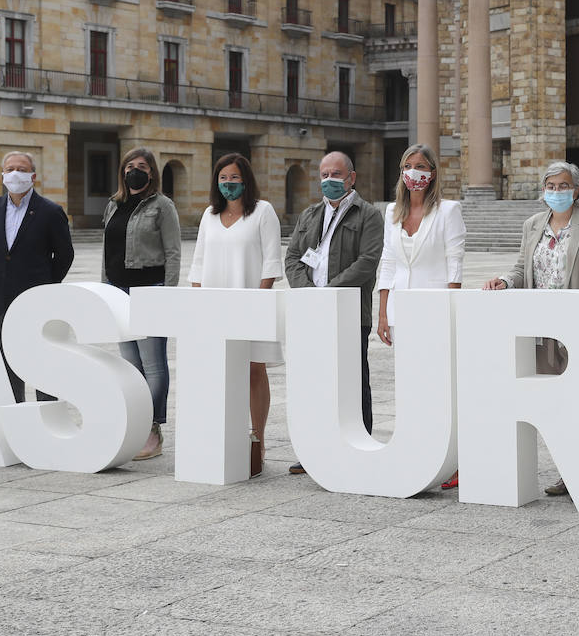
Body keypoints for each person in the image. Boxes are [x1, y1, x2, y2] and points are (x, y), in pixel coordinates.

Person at [483, 160, 579, 496]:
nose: (556, 192)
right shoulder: (533, 224)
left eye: (563, 186)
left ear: (576, 190)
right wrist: (504, 281)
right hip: (542, 330)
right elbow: (521, 269)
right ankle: (569, 470)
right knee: (553, 403)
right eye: (551, 186)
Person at [284, 151, 384, 476]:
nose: (329, 180)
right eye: (324, 175)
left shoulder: (368, 215)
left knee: (354, 379)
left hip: (350, 313)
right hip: (313, 312)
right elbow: (293, 258)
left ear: (351, 177)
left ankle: (361, 443)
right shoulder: (310, 214)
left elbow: (367, 262)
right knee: (316, 381)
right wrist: (309, 295)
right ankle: (314, 449)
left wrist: (330, 294)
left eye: (336, 174)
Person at [187, 153, 283, 478]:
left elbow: (272, 261)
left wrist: (258, 300)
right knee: (222, 370)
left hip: (251, 303)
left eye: (235, 178)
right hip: (215, 307)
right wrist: (197, 303)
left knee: (255, 369)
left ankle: (258, 438)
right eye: (223, 178)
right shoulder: (209, 215)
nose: (229, 184)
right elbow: (198, 262)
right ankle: (225, 435)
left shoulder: (263, 212)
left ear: (246, 180)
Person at [376, 143, 465, 489]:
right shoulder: (392, 213)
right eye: (409, 166)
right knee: (411, 384)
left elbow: (454, 261)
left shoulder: (447, 211)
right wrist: (383, 312)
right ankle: (418, 452)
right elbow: (387, 262)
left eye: (422, 166)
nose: (415, 173)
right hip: (402, 311)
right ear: (401, 172)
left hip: (436, 309)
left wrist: (451, 306)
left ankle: (454, 458)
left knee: (441, 385)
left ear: (433, 173)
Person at [101, 147, 181, 461]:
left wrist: (168, 294)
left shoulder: (162, 206)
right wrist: (104, 289)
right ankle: (134, 425)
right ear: (123, 170)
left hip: (150, 289)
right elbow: (107, 250)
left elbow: (173, 251)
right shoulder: (113, 204)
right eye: (130, 165)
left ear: (152, 173)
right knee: (130, 365)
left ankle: (152, 428)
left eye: (142, 166)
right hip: (118, 290)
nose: (135, 170)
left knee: (154, 366)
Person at [0, 150, 75, 403]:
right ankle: (14, 416)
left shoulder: (50, 211)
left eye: (21, 169)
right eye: (9, 169)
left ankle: (47, 417)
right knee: (4, 362)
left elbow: (64, 255)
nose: (14, 174)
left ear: (33, 176)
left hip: (37, 300)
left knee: (41, 359)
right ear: (2, 175)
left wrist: (45, 285)